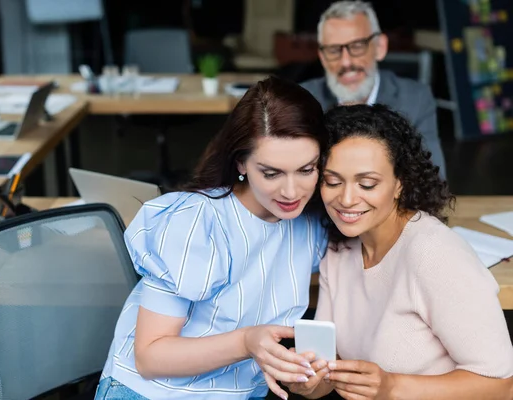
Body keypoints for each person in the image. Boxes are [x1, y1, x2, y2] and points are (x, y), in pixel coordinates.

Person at [95, 76, 330, 400]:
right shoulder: (195, 222)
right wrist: (246, 342)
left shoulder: (312, 224)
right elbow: (149, 357)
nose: (291, 192)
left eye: (306, 170)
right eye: (271, 173)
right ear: (241, 163)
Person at [283, 104, 513, 399]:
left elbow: (504, 385)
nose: (347, 199)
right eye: (332, 181)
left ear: (399, 184)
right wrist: (309, 381)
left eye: (367, 183)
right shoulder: (339, 248)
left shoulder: (433, 253)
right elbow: (331, 369)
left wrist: (392, 387)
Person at [300, 1, 447, 178]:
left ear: (380, 47)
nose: (346, 62)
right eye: (333, 50)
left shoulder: (415, 99)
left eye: (357, 46)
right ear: (322, 57)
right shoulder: (303, 101)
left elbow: (433, 180)